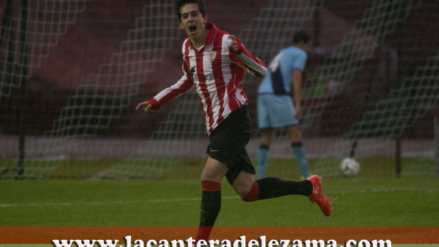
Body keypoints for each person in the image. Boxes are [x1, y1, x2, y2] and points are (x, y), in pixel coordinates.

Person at [136, 1, 331, 243]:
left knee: (209, 176)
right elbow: (187, 80)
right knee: (248, 191)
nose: (190, 20)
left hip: (234, 120)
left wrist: (239, 52)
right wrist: (156, 101)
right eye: (185, 16)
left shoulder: (227, 42)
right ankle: (309, 187)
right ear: (180, 23)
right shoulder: (187, 47)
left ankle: (200, 241)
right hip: (216, 126)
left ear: (204, 16)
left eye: (194, 14)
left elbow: (260, 70)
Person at [257, 31, 313, 180]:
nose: (309, 49)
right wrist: (298, 103)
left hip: (262, 93)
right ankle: (305, 175)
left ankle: (260, 177)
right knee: (294, 131)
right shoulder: (300, 53)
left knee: (267, 134)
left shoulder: (282, 52)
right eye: (309, 45)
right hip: (277, 94)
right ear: (301, 42)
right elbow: (296, 75)